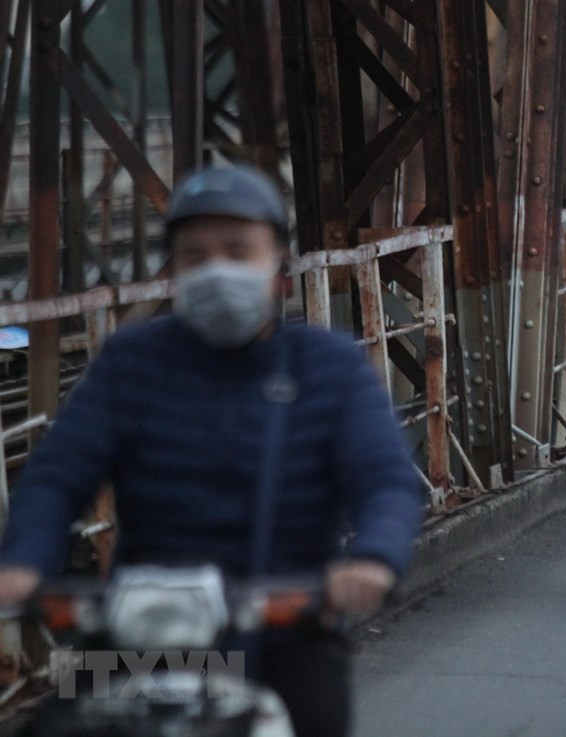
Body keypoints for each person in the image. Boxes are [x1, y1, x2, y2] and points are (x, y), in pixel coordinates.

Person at [0, 164, 425, 737]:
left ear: (278, 266)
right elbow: (57, 477)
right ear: (174, 270)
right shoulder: (131, 361)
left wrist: (373, 558)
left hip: (282, 625)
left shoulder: (330, 365)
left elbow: (384, 481)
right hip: (142, 627)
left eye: (238, 250)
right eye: (195, 255)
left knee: (312, 718)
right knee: (55, 727)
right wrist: (24, 562)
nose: (217, 268)